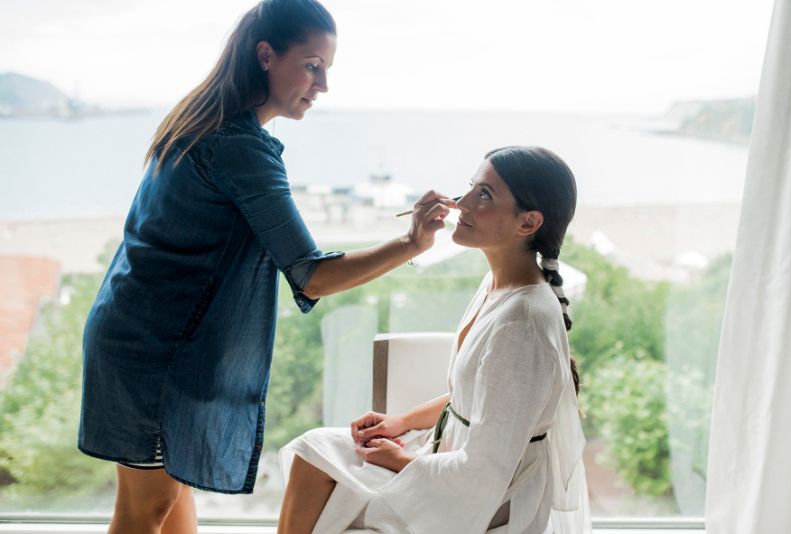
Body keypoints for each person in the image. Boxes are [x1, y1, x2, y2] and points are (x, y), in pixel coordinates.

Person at [77, 1, 456, 532]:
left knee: (168, 504)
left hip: (139, 336)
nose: (322, 85)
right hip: (162, 354)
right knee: (142, 515)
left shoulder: (200, 121)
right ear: (265, 55)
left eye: (327, 69)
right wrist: (412, 242)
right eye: (311, 65)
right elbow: (311, 274)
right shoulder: (240, 147)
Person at [278, 146, 592, 534]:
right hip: (451, 459)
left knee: (321, 474)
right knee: (312, 451)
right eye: (469, 188)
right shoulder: (497, 286)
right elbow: (479, 398)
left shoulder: (523, 322)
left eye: (485, 195)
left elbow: (484, 474)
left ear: (528, 223)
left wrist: (397, 460)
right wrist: (401, 422)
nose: (461, 204)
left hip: (485, 498)